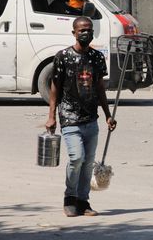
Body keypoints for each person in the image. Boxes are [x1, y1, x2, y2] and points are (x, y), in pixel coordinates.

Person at [45, 16, 116, 217]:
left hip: (90, 118)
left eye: (89, 29)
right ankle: (70, 198)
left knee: (88, 163)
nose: (86, 33)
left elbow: (100, 87)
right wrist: (51, 116)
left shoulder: (96, 57)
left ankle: (83, 202)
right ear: (74, 33)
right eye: (82, 30)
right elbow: (54, 87)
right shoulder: (63, 57)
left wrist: (108, 115)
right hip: (69, 117)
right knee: (77, 158)